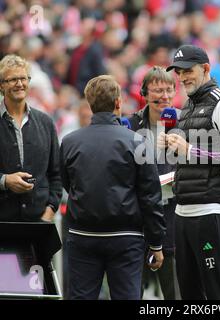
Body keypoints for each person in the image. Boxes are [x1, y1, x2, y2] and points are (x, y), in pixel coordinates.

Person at [60, 75, 166, 300]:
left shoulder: (70, 142)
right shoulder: (137, 141)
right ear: (118, 102)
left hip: (83, 235)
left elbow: (68, 184)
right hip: (125, 238)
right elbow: (150, 196)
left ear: (90, 103)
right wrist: (156, 243)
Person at [164, 44, 220, 300]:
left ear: (206, 69)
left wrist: (189, 150)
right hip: (182, 214)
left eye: (187, 70)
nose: (182, 77)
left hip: (211, 214)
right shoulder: (187, 107)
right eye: (178, 72)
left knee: (217, 294)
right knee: (189, 296)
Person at [128, 65, 180, 300]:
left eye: (169, 90)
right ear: (145, 93)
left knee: (176, 294)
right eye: (158, 90)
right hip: (135, 223)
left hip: (172, 222)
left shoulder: (185, 122)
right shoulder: (128, 126)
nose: (165, 96)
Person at [0, 54, 62, 222]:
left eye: (23, 78)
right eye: (13, 79)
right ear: (1, 86)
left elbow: (56, 174)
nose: (19, 84)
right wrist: (4, 180)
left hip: (39, 223)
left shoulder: (46, 122)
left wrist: (49, 212)